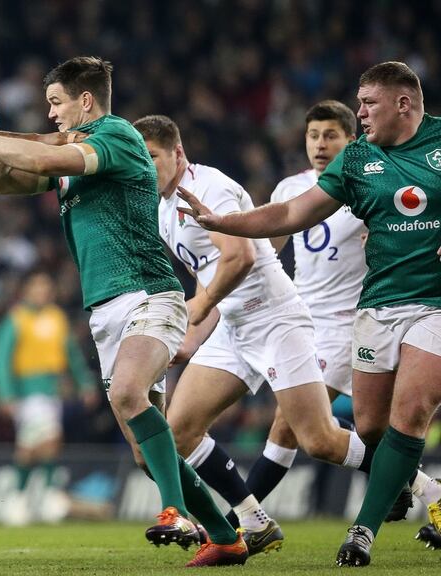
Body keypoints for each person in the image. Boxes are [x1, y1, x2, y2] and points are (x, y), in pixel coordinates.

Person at [0, 56, 247, 567]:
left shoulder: (117, 136)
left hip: (148, 293)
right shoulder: (76, 156)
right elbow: (3, 182)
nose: (51, 114)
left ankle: (175, 512)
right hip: (105, 311)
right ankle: (225, 535)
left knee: (129, 393)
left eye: (56, 103)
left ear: (85, 100)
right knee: (145, 452)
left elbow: (43, 160)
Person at [176, 61, 441, 567]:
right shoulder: (353, 164)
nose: (361, 112)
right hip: (368, 310)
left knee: (373, 419)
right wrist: (223, 222)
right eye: (314, 134)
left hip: (406, 309)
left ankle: (334, 529)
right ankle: (423, 487)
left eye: (368, 104)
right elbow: (288, 217)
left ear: (403, 102)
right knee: (367, 429)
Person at [134, 114, 383, 556]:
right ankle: (254, 521)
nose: (144, 166)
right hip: (233, 327)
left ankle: (416, 481)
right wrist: (194, 334)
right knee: (179, 433)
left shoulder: (210, 187)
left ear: (178, 153)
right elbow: (209, 275)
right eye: (139, 158)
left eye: (151, 156)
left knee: (319, 440)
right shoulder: (163, 207)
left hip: (275, 320)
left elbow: (241, 258)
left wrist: (201, 307)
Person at [244, 101, 441, 543]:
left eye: (330, 135)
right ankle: (426, 488)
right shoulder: (291, 188)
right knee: (348, 429)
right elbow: (270, 251)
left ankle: (243, 521)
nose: (320, 144)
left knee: (295, 427)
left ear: (352, 141)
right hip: (300, 321)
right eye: (313, 135)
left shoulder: (368, 185)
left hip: (348, 324)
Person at [0, 271, 96, 525]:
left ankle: (21, 498)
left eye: (46, 287)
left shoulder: (57, 317)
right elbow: (1, 358)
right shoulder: (16, 318)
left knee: (33, 444)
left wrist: (84, 382)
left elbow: (71, 353)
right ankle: (45, 495)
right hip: (26, 391)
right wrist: (5, 394)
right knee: (48, 439)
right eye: (36, 286)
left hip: (52, 390)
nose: (41, 291)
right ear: (26, 290)